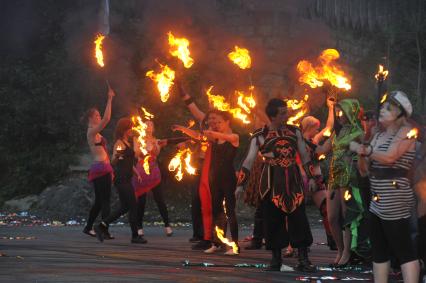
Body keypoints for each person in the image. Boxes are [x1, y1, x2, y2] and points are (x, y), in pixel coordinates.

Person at [236, 98, 316, 271]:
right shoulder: (260, 135)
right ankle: (276, 259)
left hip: (293, 181)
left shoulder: (295, 132)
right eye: (282, 113)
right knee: (272, 220)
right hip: (270, 181)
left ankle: (303, 259)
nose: (286, 115)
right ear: (272, 116)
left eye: (286, 112)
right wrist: (240, 184)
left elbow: (304, 155)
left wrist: (311, 178)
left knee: (299, 219)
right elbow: (249, 160)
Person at [351, 91, 420, 283]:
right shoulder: (378, 135)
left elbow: (390, 157)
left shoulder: (407, 132)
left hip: (396, 197)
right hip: (377, 198)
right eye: (382, 107)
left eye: (388, 108)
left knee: (403, 248)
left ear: (400, 113)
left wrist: (368, 150)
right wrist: (362, 152)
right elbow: (364, 170)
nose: (382, 110)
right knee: (379, 249)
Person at [173, 110, 240, 255]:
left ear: (228, 122)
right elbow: (199, 136)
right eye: (214, 123)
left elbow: (222, 136)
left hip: (228, 179)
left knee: (230, 211)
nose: (216, 125)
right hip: (215, 179)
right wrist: (183, 129)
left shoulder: (234, 137)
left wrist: (211, 132)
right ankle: (216, 242)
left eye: (219, 122)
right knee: (216, 210)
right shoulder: (213, 139)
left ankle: (235, 246)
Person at [316, 98, 366, 266]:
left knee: (346, 216)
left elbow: (364, 152)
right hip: (334, 176)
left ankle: (347, 253)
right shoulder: (338, 132)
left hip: (349, 178)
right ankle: (339, 250)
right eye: (338, 112)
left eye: (342, 111)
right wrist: (306, 141)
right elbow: (322, 150)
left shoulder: (359, 132)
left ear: (350, 112)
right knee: (332, 217)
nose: (339, 115)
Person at [95, 118, 147, 244]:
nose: (132, 130)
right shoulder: (119, 143)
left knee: (124, 207)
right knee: (133, 205)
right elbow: (113, 161)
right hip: (122, 179)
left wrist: (136, 172)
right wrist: (117, 156)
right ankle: (135, 236)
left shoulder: (126, 142)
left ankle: (101, 226)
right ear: (124, 129)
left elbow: (130, 160)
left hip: (127, 178)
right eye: (130, 128)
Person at [133, 120, 188, 237]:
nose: (148, 126)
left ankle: (167, 225)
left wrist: (155, 146)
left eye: (151, 125)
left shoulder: (156, 140)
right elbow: (136, 153)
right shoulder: (137, 139)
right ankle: (139, 227)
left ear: (153, 128)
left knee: (160, 199)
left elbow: (156, 154)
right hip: (142, 171)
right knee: (141, 200)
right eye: (146, 124)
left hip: (153, 170)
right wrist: (144, 147)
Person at [298, 96, 336, 251]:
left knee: (326, 208)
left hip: (317, 177)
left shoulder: (315, 140)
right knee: (297, 212)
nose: (318, 130)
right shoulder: (298, 140)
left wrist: (331, 108)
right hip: (301, 178)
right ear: (309, 127)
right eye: (316, 127)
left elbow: (330, 126)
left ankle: (332, 239)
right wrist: (306, 177)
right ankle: (297, 244)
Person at [82, 87, 115, 238]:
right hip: (99, 169)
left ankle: (88, 227)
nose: (99, 116)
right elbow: (107, 119)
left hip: (104, 168)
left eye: (98, 114)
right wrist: (109, 99)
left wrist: (111, 168)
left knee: (100, 202)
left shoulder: (96, 132)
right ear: (90, 118)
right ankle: (104, 230)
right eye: (97, 115)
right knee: (105, 201)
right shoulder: (91, 132)